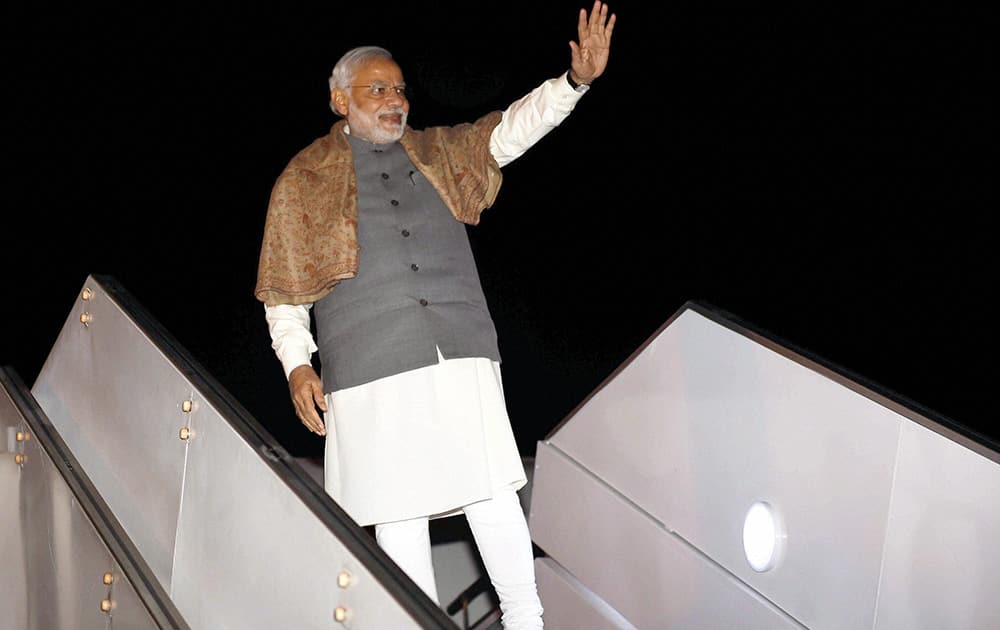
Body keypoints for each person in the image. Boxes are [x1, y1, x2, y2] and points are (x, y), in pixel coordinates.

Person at [255, 3, 615, 627]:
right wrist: (296, 364)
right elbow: (286, 289)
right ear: (341, 100)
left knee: (492, 491)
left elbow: (509, 131)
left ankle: (526, 621)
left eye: (399, 89)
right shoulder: (302, 179)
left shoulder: (440, 151)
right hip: (368, 365)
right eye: (377, 89)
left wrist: (573, 83)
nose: (394, 99)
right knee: (399, 511)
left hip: (459, 345)